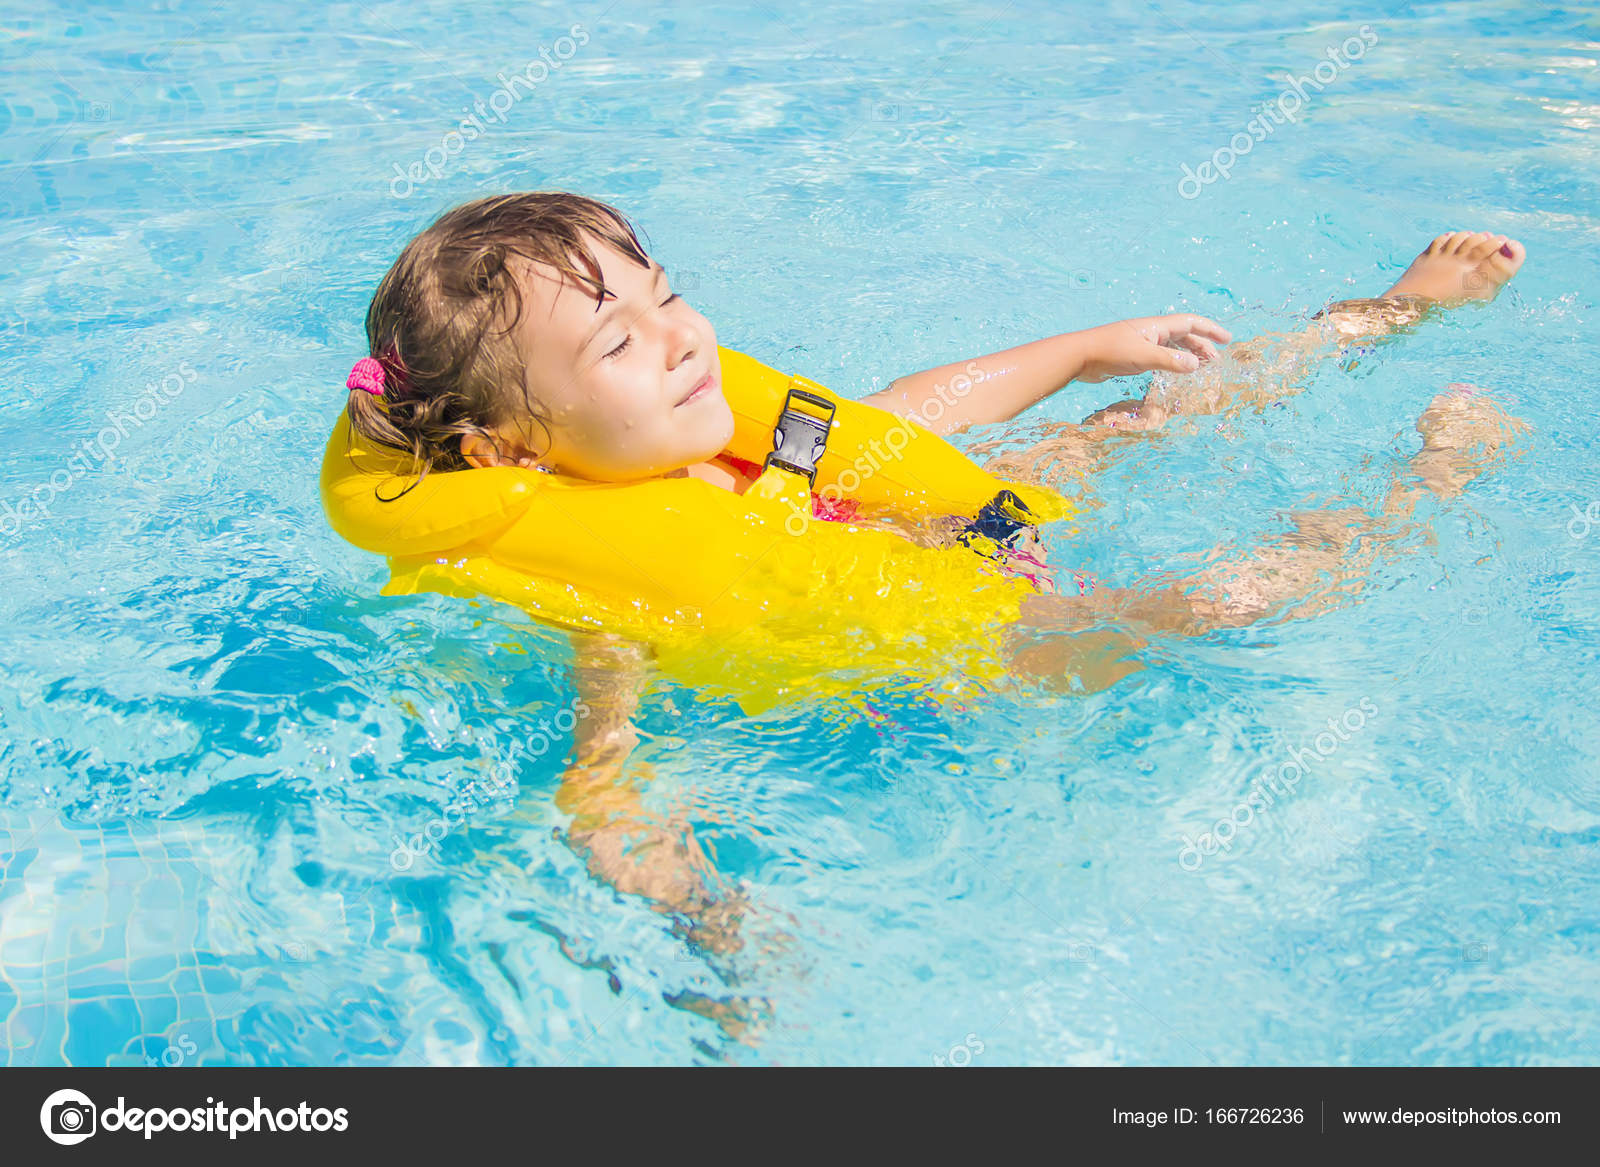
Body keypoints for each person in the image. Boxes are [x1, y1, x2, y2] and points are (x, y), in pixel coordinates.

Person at [345, 194, 1527, 990]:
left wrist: (1076, 349)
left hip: (957, 531)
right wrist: (670, 877)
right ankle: (1428, 482)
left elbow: (911, 413)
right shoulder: (590, 576)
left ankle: (1382, 314)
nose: (678, 338)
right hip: (980, 651)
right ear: (508, 450)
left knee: (1134, 415)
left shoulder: (739, 435)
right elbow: (605, 754)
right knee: (1227, 599)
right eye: (616, 344)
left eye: (664, 293)